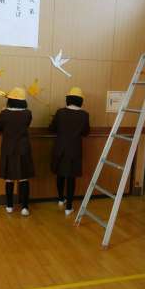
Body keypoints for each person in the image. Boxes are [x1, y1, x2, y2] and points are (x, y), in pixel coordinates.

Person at [49, 87, 90, 216]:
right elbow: (86, 132)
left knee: (60, 174)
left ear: (68, 99)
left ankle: (61, 199)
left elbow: (52, 129)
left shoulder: (60, 112)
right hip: (74, 150)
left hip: (60, 149)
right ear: (80, 100)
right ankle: (69, 207)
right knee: (71, 178)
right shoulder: (84, 115)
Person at [0, 87, 34, 216]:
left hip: (8, 148)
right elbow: (26, 125)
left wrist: (2, 112)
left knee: (9, 178)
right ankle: (25, 207)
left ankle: (9, 206)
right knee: (24, 178)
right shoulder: (28, 113)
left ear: (10, 100)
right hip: (23, 148)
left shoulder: (4, 114)